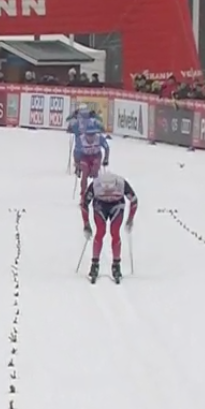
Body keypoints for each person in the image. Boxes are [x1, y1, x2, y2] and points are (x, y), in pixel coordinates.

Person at [83, 170, 137, 284]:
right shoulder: (95, 184)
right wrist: (86, 224)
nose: (107, 192)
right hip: (100, 206)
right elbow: (84, 203)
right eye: (104, 190)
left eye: (110, 190)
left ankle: (116, 265)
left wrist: (130, 219)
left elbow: (134, 200)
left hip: (117, 205)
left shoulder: (122, 184)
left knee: (115, 232)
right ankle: (95, 264)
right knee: (100, 232)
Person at [67, 105, 110, 236]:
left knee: (95, 172)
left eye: (92, 135)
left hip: (96, 156)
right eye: (88, 135)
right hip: (85, 157)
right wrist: (77, 165)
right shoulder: (80, 139)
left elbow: (107, 147)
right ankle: (83, 196)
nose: (90, 137)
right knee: (85, 172)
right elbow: (76, 152)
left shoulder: (98, 136)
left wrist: (106, 159)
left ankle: (97, 194)